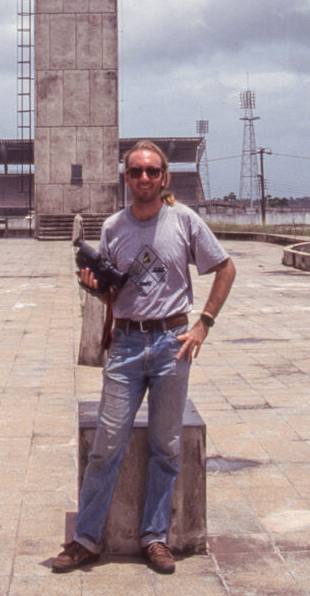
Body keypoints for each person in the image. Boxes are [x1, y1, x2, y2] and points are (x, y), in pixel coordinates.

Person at [51, 140, 236, 575]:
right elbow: (113, 290)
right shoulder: (114, 227)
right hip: (128, 344)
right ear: (126, 177)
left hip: (173, 342)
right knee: (106, 445)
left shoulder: (185, 221)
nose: (145, 178)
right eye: (136, 172)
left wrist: (204, 322)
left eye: (153, 171)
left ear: (164, 177)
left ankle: (155, 537)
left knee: (166, 445)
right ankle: (86, 538)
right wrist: (93, 284)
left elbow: (225, 268)